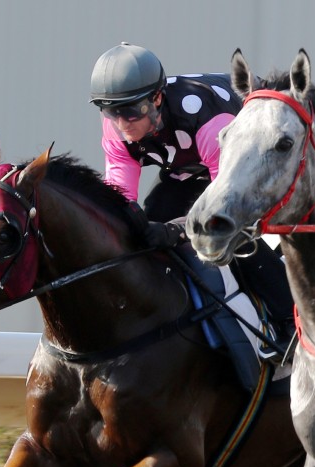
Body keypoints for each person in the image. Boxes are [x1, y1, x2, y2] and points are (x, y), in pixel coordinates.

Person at [89, 42, 294, 352]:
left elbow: (229, 204)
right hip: (193, 164)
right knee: (148, 223)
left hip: (257, 157)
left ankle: (288, 317)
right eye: (111, 112)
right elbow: (120, 198)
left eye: (130, 111)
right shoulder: (116, 127)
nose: (121, 124)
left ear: (157, 99)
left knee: (230, 233)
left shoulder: (208, 120)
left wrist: (177, 230)